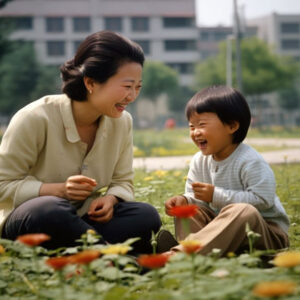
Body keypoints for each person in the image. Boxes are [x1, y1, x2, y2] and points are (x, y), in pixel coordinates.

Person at [0, 30, 161, 252]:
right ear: (91, 83)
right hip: (34, 221)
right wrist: (58, 190)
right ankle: (116, 260)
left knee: (145, 215)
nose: (132, 96)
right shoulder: (35, 117)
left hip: (85, 222)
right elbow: (2, 184)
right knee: (50, 210)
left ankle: (87, 255)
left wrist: (112, 200)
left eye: (138, 87)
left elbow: (122, 180)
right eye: (127, 86)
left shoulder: (122, 122)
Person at [162, 85, 289, 256]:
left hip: (265, 235)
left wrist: (216, 195)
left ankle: (180, 255)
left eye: (201, 124)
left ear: (231, 126)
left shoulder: (250, 160)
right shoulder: (199, 161)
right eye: (191, 126)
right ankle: (199, 255)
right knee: (188, 210)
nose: (195, 132)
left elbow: (263, 199)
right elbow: (197, 199)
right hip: (220, 234)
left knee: (244, 211)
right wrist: (184, 200)